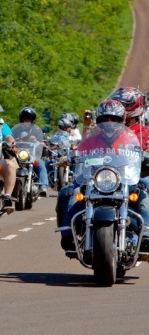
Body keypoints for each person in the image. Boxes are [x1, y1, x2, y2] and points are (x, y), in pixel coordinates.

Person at [56, 100, 149, 252]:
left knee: (143, 196)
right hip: (94, 181)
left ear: (121, 121)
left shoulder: (129, 138)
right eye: (104, 120)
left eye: (114, 120)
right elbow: (79, 152)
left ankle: (146, 235)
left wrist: (144, 157)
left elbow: (138, 153)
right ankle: (68, 235)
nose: (109, 123)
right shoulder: (92, 140)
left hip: (124, 181)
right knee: (74, 194)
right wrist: (68, 158)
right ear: (98, 121)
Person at [13, 107, 48, 197]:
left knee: (41, 164)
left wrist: (36, 141)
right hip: (18, 156)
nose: (27, 121)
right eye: (25, 119)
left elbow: (44, 143)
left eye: (29, 119)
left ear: (32, 120)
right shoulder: (16, 130)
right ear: (22, 119)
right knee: (9, 166)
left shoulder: (36, 130)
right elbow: (10, 140)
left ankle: (43, 187)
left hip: (33, 156)